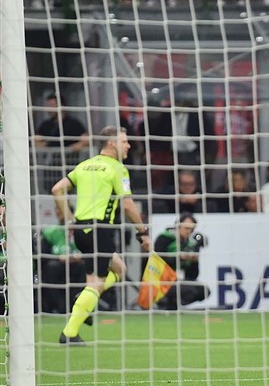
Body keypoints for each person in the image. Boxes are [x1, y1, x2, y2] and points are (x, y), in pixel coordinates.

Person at [51, 127, 152, 345]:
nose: (128, 146)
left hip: (81, 230)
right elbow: (127, 204)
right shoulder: (117, 168)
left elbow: (57, 189)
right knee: (95, 282)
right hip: (100, 230)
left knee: (119, 269)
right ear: (112, 143)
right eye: (124, 141)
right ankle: (70, 332)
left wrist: (69, 220)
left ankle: (85, 299)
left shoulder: (84, 165)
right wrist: (142, 232)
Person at [154, 214, 210, 310]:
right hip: (161, 280)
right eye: (186, 228)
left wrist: (194, 262)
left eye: (191, 229)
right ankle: (164, 302)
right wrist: (179, 258)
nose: (189, 231)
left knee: (203, 291)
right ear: (178, 226)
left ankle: (172, 304)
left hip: (179, 280)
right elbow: (157, 262)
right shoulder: (164, 238)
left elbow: (192, 277)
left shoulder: (190, 244)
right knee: (190, 290)